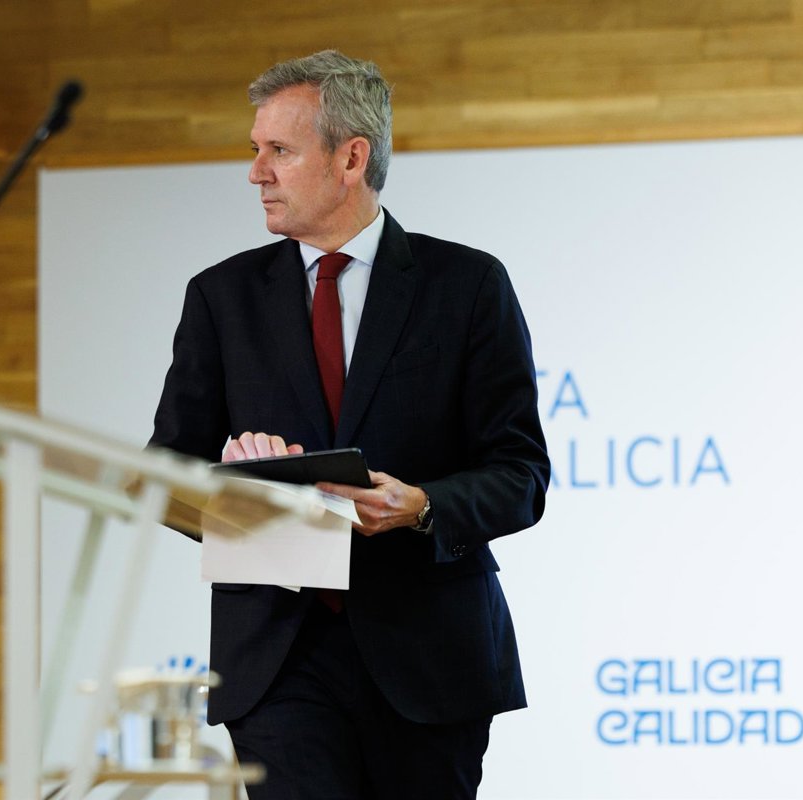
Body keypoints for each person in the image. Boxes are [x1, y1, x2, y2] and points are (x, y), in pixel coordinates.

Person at [150, 50, 549, 800]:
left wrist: (421, 505)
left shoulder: (468, 286)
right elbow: (167, 475)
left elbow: (520, 474)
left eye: (279, 150)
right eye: (255, 149)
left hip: (430, 660)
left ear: (351, 158)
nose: (256, 172)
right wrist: (241, 490)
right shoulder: (221, 298)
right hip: (277, 660)